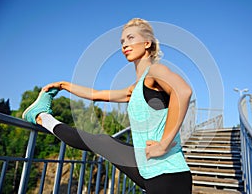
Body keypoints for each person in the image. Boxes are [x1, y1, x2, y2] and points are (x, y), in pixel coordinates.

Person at [22, 18, 193, 194]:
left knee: (102, 142)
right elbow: (97, 95)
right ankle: (41, 116)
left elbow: (183, 92)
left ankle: (42, 118)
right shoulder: (135, 88)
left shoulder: (156, 71)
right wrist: (63, 85)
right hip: (148, 168)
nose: (125, 45)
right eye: (122, 41)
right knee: (103, 142)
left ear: (147, 43)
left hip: (169, 175)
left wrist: (163, 144)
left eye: (131, 38)